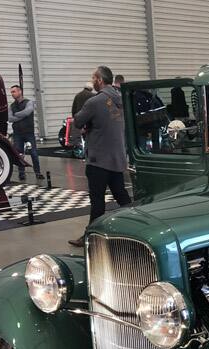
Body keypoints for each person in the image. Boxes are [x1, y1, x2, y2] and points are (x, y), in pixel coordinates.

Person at [68, 66, 132, 247]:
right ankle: (135, 228)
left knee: (97, 201)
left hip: (99, 160)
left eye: (93, 78)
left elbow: (78, 120)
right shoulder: (121, 99)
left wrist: (88, 125)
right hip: (117, 158)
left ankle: (91, 238)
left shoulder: (95, 101)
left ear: (99, 80)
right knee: (122, 197)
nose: (92, 81)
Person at [8, 85, 43, 181]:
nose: (12, 94)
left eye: (14, 91)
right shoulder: (12, 106)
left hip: (29, 133)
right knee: (19, 154)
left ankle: (38, 173)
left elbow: (27, 112)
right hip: (17, 134)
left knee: (34, 153)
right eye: (11, 92)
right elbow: (10, 118)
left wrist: (17, 115)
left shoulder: (29, 102)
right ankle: (22, 174)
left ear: (20, 92)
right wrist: (21, 115)